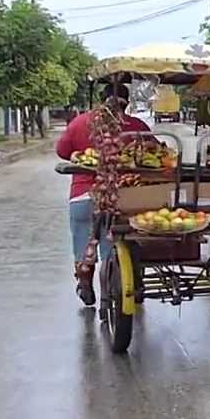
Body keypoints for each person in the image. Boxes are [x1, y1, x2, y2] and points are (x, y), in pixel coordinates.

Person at [56, 82, 149, 304]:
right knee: (112, 246)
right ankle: (114, 288)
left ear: (101, 100)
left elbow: (62, 151)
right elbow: (155, 150)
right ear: (126, 104)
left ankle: (85, 285)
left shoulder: (80, 122)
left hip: (82, 197)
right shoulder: (136, 125)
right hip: (120, 198)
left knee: (82, 247)